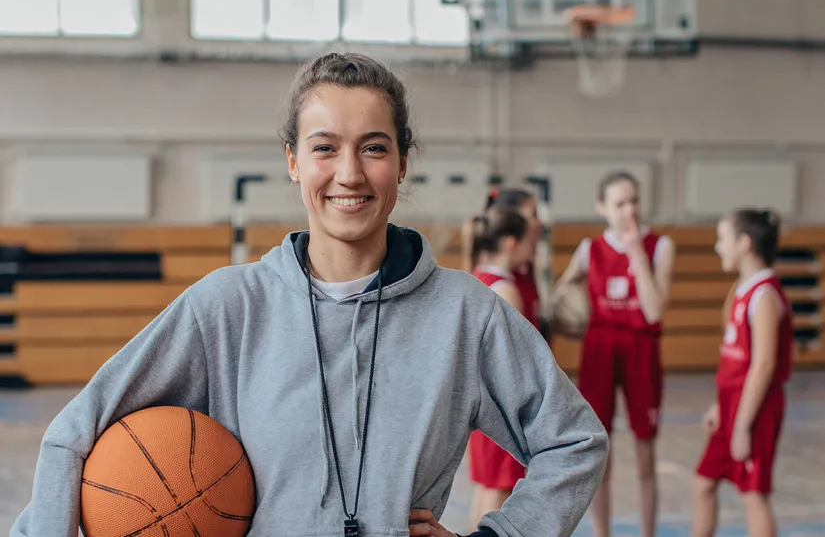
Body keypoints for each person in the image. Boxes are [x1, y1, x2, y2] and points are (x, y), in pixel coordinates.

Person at [11, 52, 608, 537]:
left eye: (374, 147)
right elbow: (73, 434)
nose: (349, 172)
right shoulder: (228, 308)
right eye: (325, 147)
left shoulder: (465, 315)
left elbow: (575, 441)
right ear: (294, 162)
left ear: (402, 163)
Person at [555, 171, 675, 537]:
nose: (629, 210)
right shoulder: (589, 249)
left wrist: (635, 248)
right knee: (600, 452)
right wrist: (570, 312)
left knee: (645, 453)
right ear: (601, 207)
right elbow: (560, 299)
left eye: (634, 201)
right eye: (620, 203)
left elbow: (654, 311)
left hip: (642, 347)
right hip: (600, 348)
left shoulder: (660, 245)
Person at [692, 209, 791, 537]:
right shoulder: (743, 289)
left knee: (753, 495)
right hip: (732, 404)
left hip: (755, 409)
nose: (718, 247)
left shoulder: (764, 295)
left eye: (723, 239)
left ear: (744, 243)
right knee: (703, 483)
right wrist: (720, 405)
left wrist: (743, 426)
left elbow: (763, 365)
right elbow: (736, 359)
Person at [466, 208, 537, 530]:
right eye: (528, 243)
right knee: (499, 493)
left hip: (478, 405)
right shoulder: (506, 290)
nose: (531, 250)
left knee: (484, 490)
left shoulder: (476, 276)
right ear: (511, 243)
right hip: (501, 409)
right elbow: (517, 365)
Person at [461, 188, 543, 333]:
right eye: (532, 215)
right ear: (511, 243)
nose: (538, 222)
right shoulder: (505, 289)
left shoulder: (482, 273)